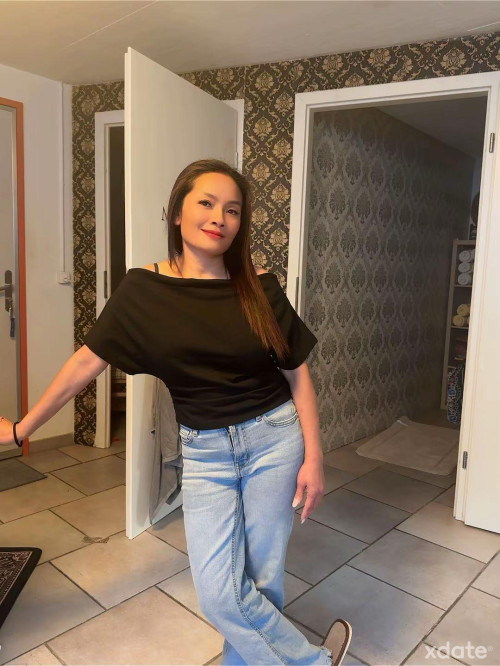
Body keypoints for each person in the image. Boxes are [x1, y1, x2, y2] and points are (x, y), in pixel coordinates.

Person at [0, 158, 352, 665]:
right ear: (177, 213)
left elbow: (297, 373)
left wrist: (314, 457)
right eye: (206, 203)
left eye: (232, 210)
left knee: (262, 577)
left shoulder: (259, 285)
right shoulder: (142, 289)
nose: (219, 217)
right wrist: (22, 429)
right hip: (205, 451)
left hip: (274, 439)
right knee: (219, 593)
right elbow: (86, 362)